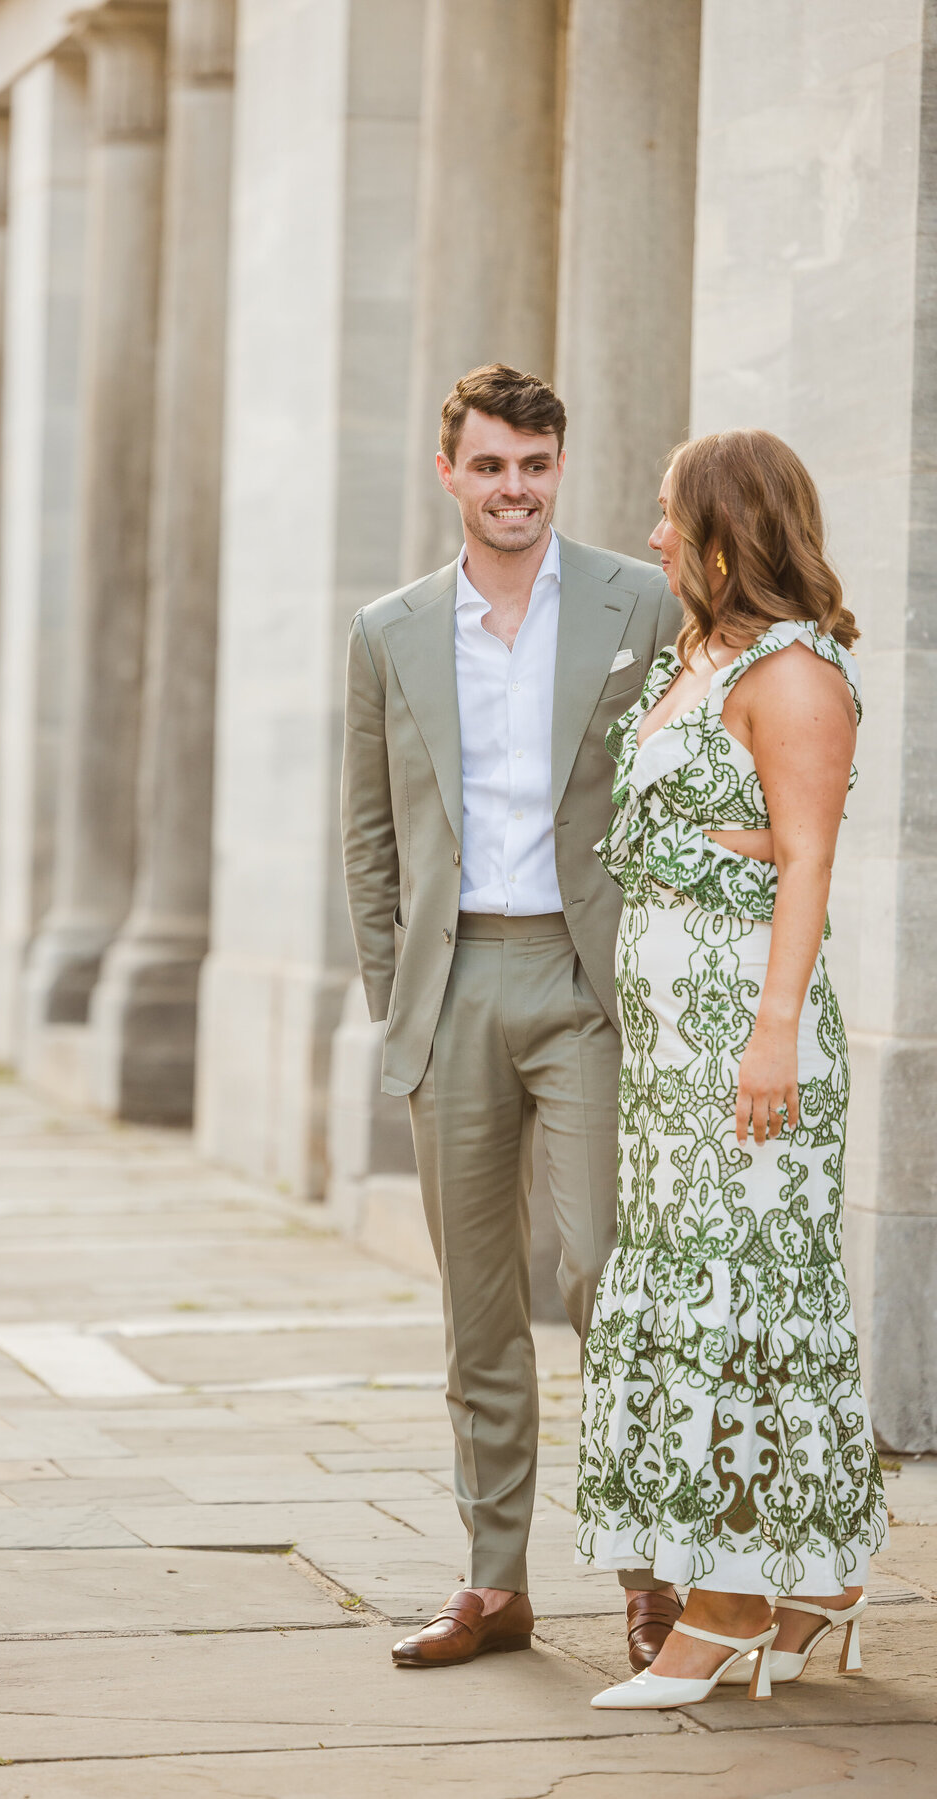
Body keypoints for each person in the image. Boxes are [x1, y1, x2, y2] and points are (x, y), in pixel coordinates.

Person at [341, 363, 683, 1672]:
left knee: (608, 1266)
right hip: (454, 985)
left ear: (558, 465)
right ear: (451, 473)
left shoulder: (633, 602)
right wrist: (398, 997)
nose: (517, 490)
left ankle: (652, 1571)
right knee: (476, 1304)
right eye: (491, 466)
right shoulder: (389, 630)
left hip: (584, 984)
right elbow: (369, 842)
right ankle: (496, 1582)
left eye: (536, 465)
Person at [578, 428, 889, 1710]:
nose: (651, 534)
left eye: (667, 514)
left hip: (748, 1045)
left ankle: (732, 1601)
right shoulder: (693, 656)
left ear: (725, 527)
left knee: (746, 1305)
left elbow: (807, 858)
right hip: (669, 1056)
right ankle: (821, 1579)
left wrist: (770, 1034)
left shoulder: (796, 670)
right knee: (702, 1297)